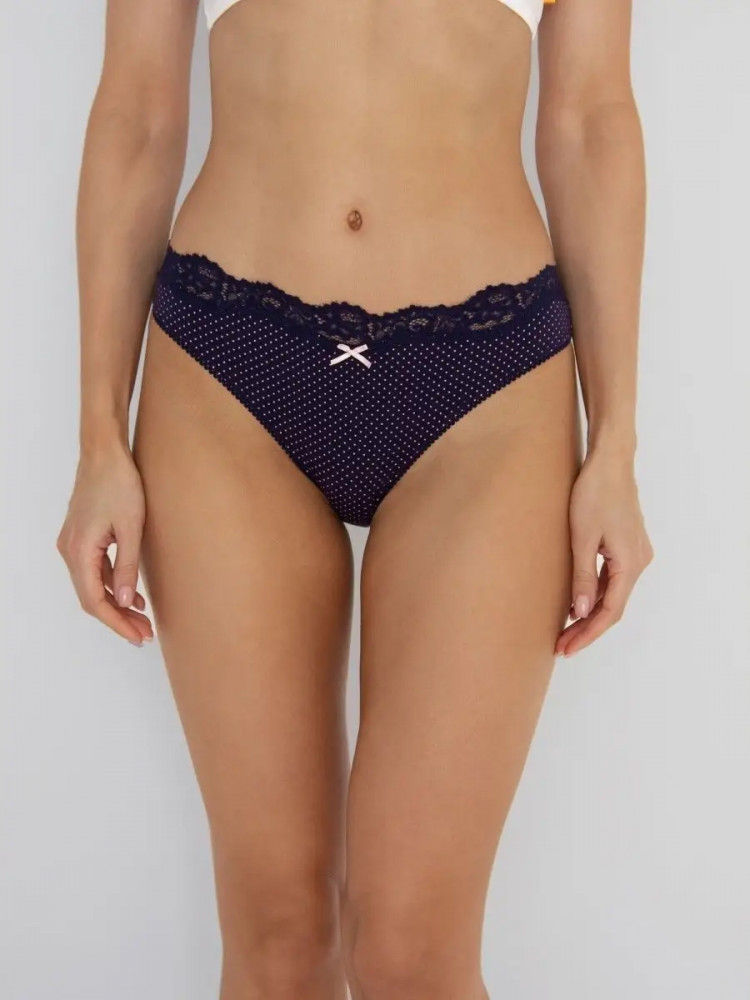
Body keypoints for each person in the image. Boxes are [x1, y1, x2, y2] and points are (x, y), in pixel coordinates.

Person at [57, 0, 653, 996]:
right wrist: (97, 437)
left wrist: (618, 445)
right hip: (228, 371)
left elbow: (591, 117)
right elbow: (139, 111)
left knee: (411, 950)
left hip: (488, 391)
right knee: (278, 934)